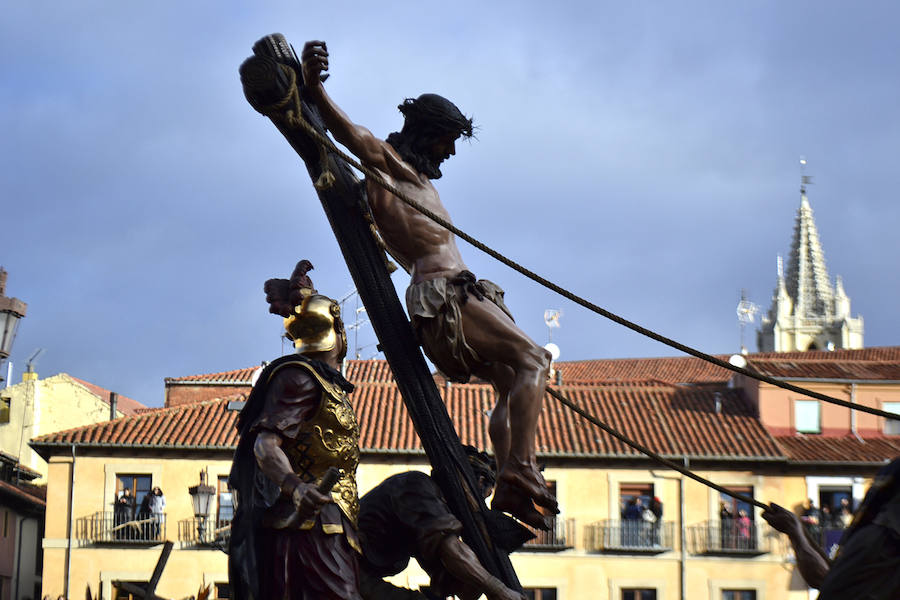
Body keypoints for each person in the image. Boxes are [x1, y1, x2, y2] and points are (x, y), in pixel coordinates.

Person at [299, 41, 557, 531]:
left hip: (458, 291)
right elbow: (357, 136)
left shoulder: (415, 178)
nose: (453, 151)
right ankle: (520, 469)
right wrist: (315, 89)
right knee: (534, 360)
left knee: (510, 379)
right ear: (426, 133)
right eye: (447, 140)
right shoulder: (391, 165)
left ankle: (508, 477)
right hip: (444, 297)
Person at [229, 261, 362, 600]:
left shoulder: (326, 383)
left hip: (336, 517)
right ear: (340, 333)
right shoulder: (299, 378)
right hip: (310, 523)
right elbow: (266, 445)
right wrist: (296, 488)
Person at [357, 446, 524, 600]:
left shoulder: (434, 513)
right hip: (344, 560)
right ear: (476, 483)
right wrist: (498, 589)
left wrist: (485, 553)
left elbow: (463, 591)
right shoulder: (417, 487)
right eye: (481, 499)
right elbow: (450, 548)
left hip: (360, 574)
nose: (476, 510)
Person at [762, 457, 900, 597]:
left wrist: (795, 532)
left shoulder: (878, 540)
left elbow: (826, 582)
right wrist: (796, 530)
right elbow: (828, 578)